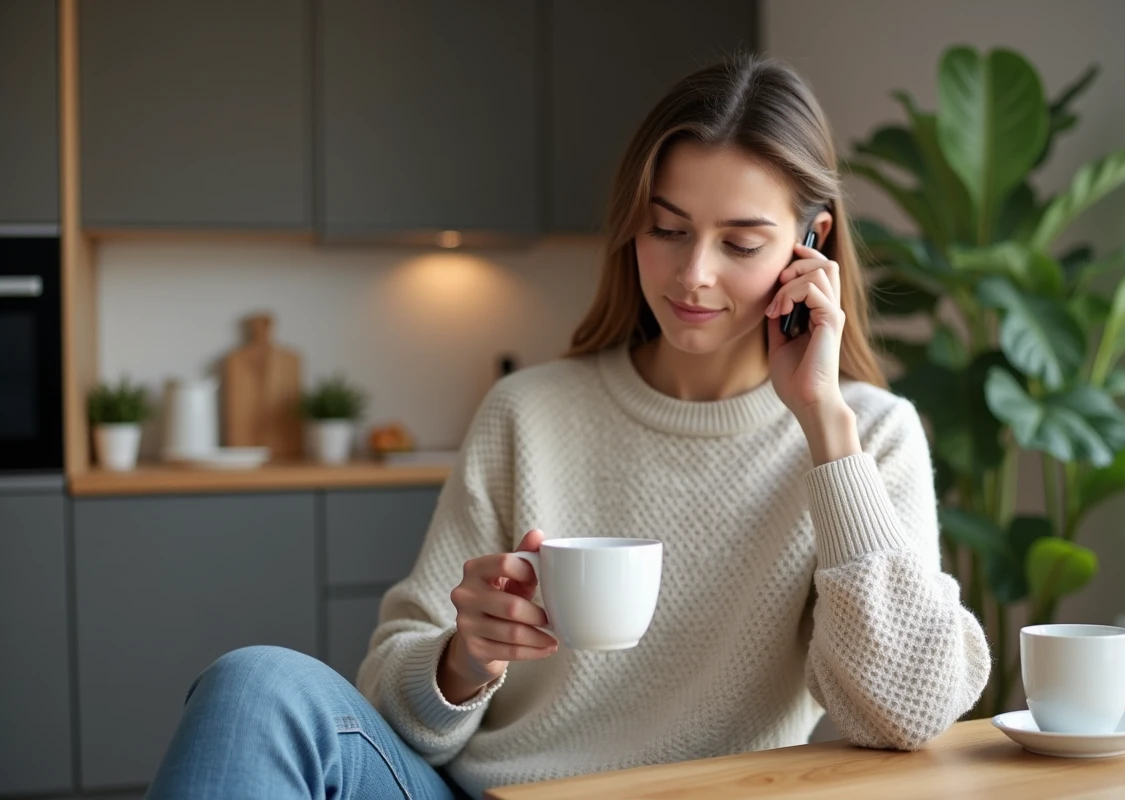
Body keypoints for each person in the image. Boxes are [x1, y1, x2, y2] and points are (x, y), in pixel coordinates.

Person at [147, 54, 990, 800]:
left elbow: (903, 712)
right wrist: (463, 661)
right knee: (252, 685)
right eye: (666, 230)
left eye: (740, 243)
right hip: (484, 792)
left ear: (810, 244)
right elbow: (390, 692)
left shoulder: (865, 437)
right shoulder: (530, 411)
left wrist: (822, 425)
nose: (693, 275)